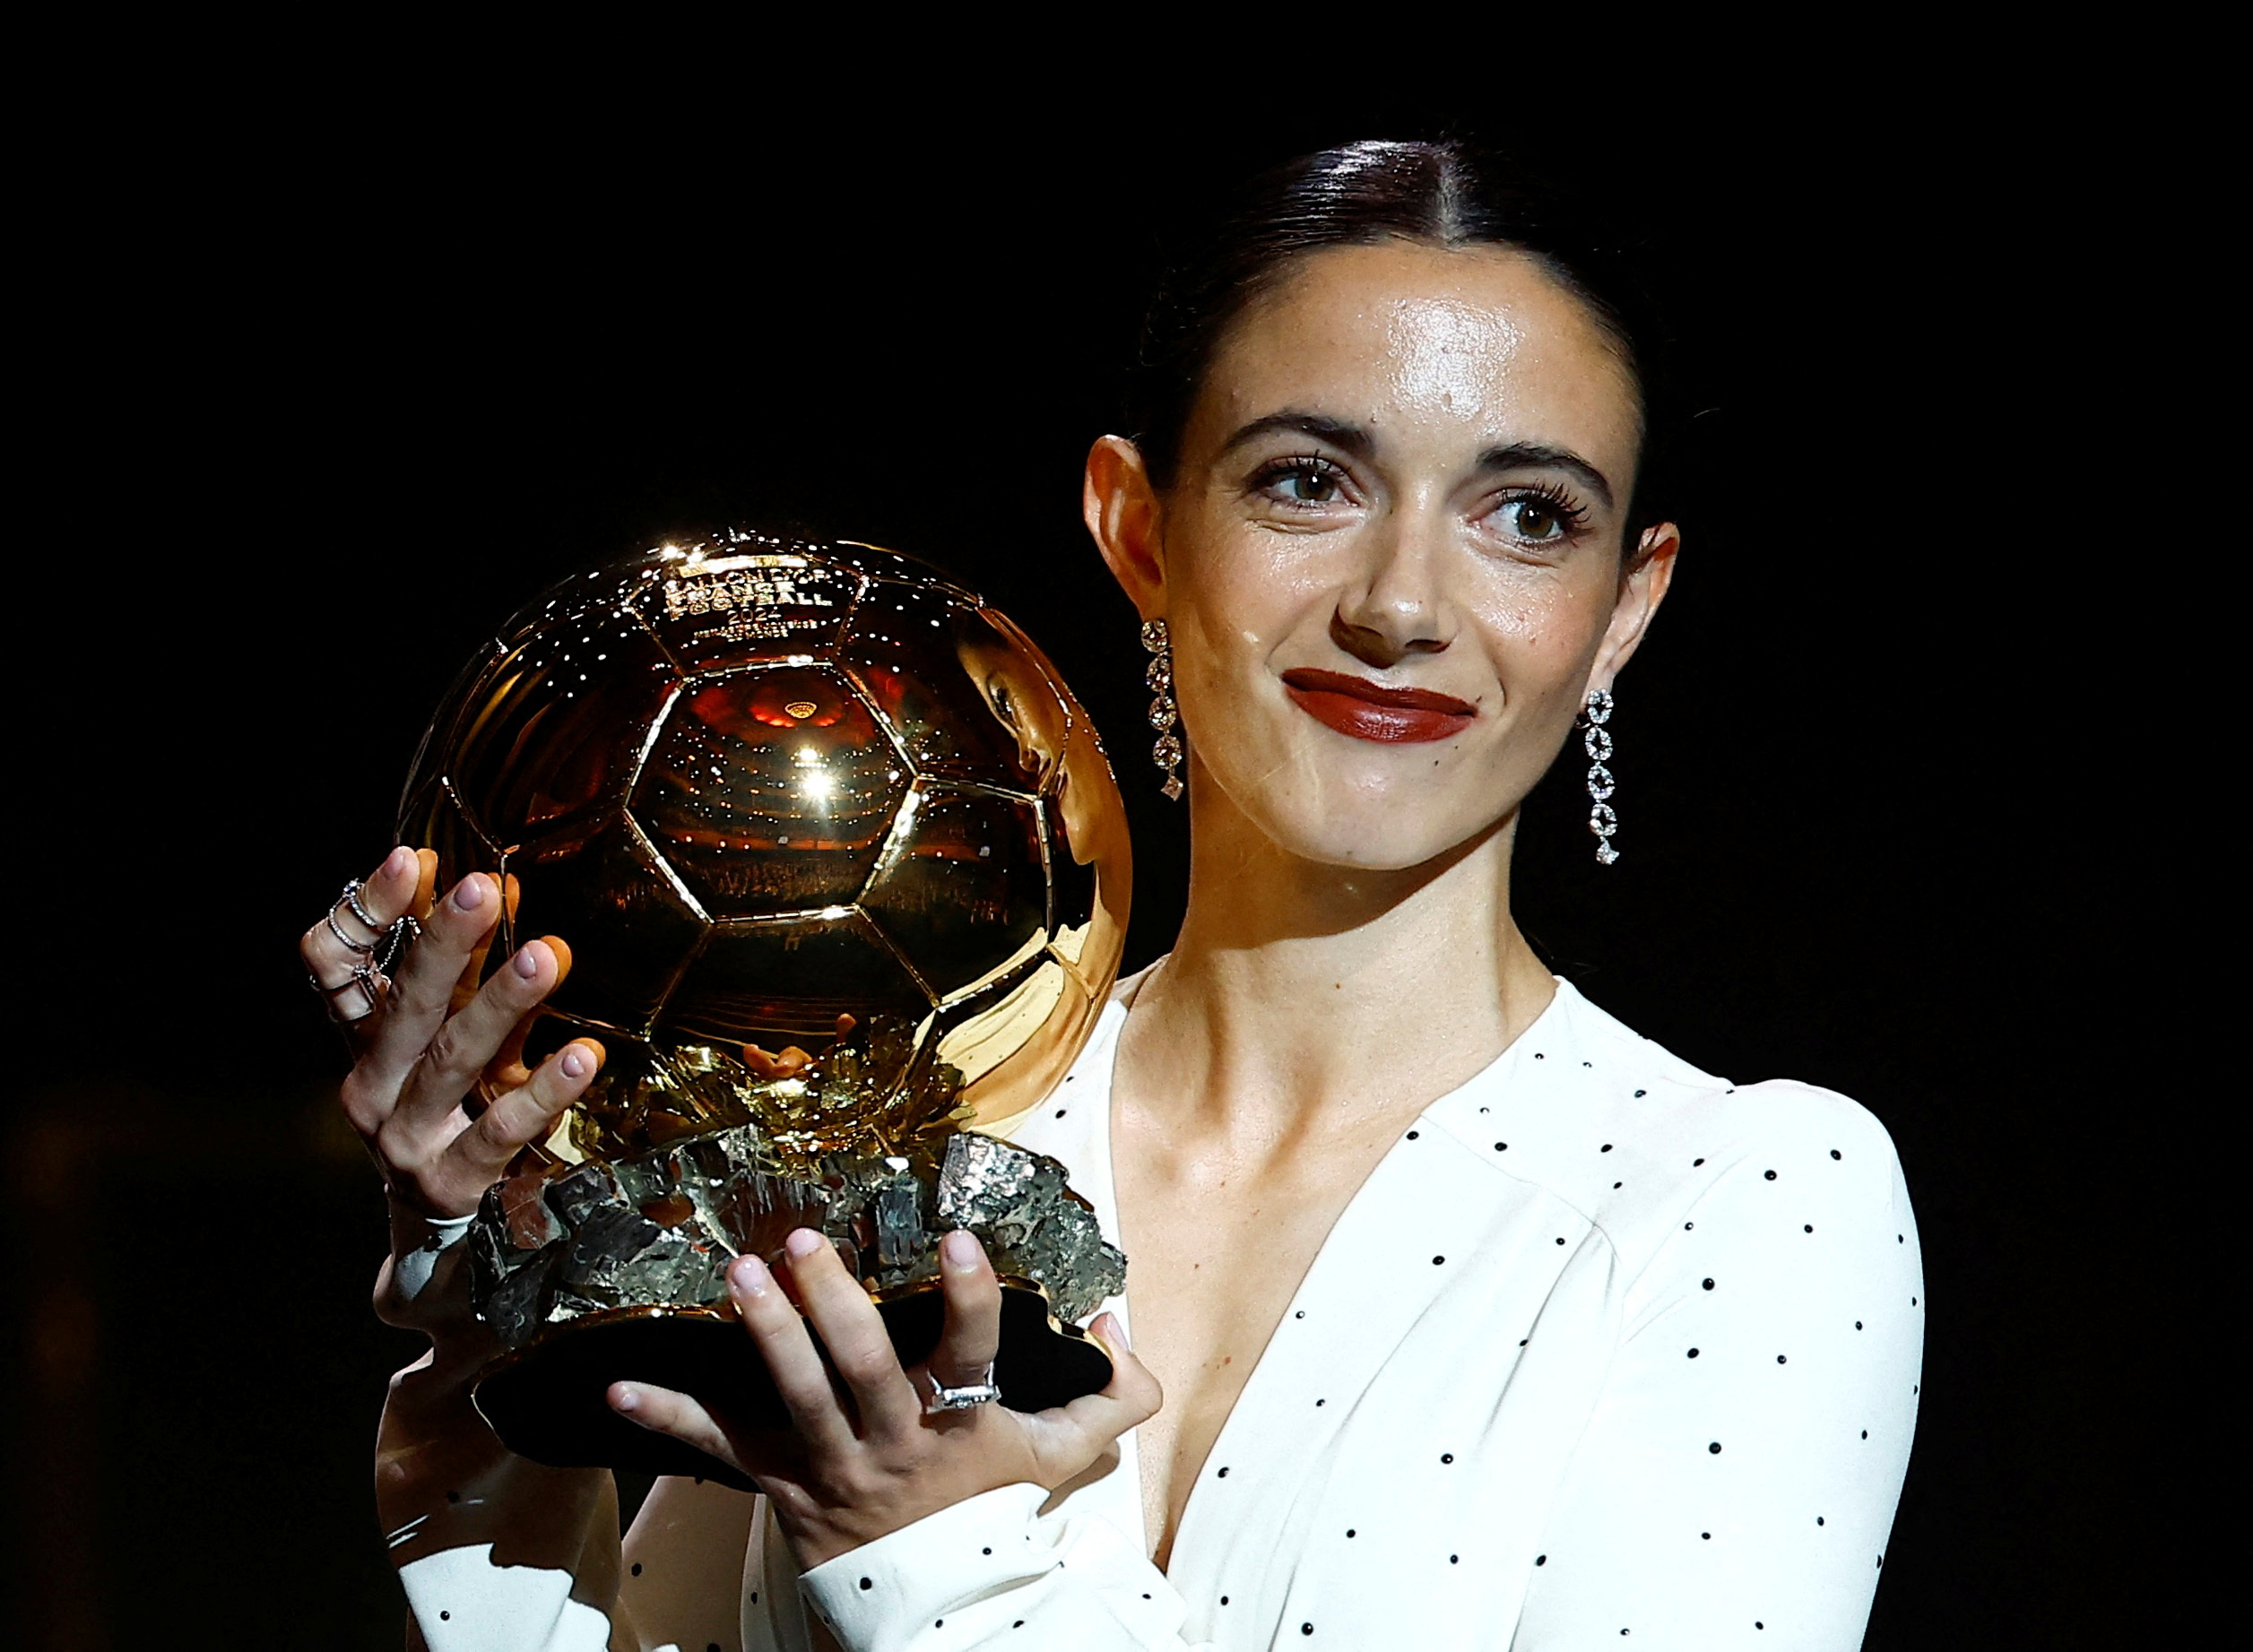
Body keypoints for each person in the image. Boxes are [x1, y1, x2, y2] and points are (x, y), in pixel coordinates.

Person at [303, 139, 1922, 1650]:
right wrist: (498, 1288)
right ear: (1139, 528)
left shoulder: (1738, 1201)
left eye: (1526, 515)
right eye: (1308, 482)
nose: (1403, 605)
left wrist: (932, 1551)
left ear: (1625, 602)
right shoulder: (878, 1128)